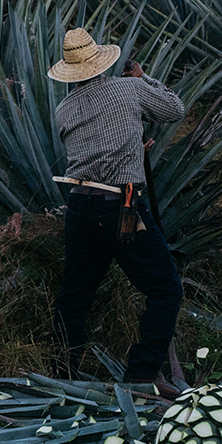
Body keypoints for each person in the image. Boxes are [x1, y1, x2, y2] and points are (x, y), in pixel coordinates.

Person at [48, 27, 185, 385]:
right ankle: (140, 377)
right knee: (165, 288)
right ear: (99, 60)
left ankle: (61, 375)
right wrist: (144, 78)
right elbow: (174, 108)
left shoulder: (63, 109)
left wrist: (131, 152)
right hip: (119, 205)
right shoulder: (130, 89)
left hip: (79, 206)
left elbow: (91, 152)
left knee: (75, 294)